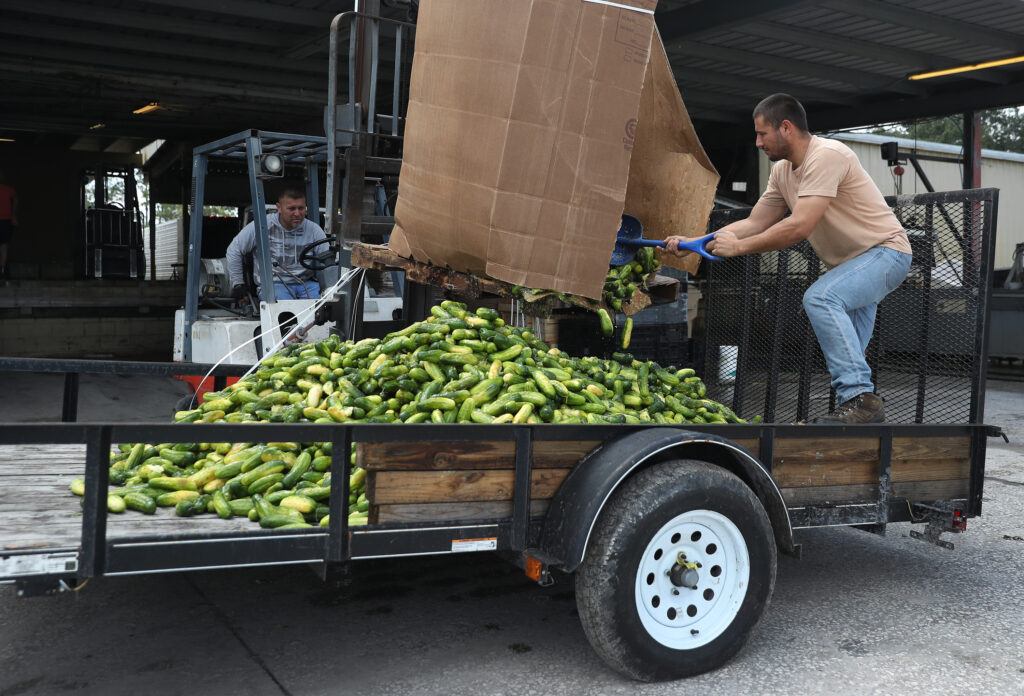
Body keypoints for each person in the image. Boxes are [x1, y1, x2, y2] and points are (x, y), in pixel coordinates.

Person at [665, 93, 912, 424]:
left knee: (822, 298)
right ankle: (858, 419)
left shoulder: (827, 155)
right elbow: (755, 222)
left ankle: (861, 400)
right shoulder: (781, 171)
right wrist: (696, 241)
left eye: (762, 134)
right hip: (850, 266)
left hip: (886, 253)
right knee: (851, 350)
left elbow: (799, 226)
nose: (757, 143)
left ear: (786, 127)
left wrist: (738, 248)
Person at [226, 187, 327, 301]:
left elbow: (328, 258)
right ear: (279, 208)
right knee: (285, 308)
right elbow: (234, 250)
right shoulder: (262, 225)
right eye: (291, 208)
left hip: (306, 283)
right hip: (274, 284)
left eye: (301, 208)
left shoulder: (314, 229)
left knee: (325, 302)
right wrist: (238, 284)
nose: (297, 213)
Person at [0, 170, 17, 281]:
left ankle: (2, 271)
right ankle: (2, 271)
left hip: (6, 219)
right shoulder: (9, 190)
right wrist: (13, 216)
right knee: (4, 247)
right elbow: (15, 201)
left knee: (3, 247)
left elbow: (15, 201)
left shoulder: (9, 190)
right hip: (6, 220)